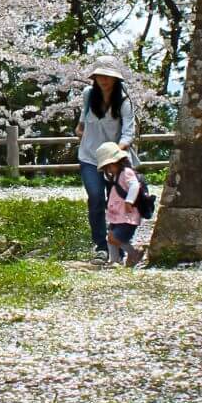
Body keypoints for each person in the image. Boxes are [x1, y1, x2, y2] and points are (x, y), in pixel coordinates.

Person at [74, 60, 137, 261]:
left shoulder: (124, 102)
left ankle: (117, 246)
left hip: (114, 161)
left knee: (115, 202)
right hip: (89, 157)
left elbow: (128, 132)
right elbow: (81, 124)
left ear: (116, 79)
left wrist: (115, 152)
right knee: (96, 197)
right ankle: (101, 246)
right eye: (100, 75)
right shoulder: (88, 94)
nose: (104, 80)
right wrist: (81, 131)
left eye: (108, 76)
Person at [95, 141, 147, 267]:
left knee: (116, 238)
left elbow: (134, 186)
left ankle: (134, 252)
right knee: (110, 237)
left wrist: (129, 201)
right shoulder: (117, 175)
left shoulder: (126, 172)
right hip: (119, 215)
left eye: (109, 166)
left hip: (127, 216)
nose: (108, 170)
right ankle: (114, 260)